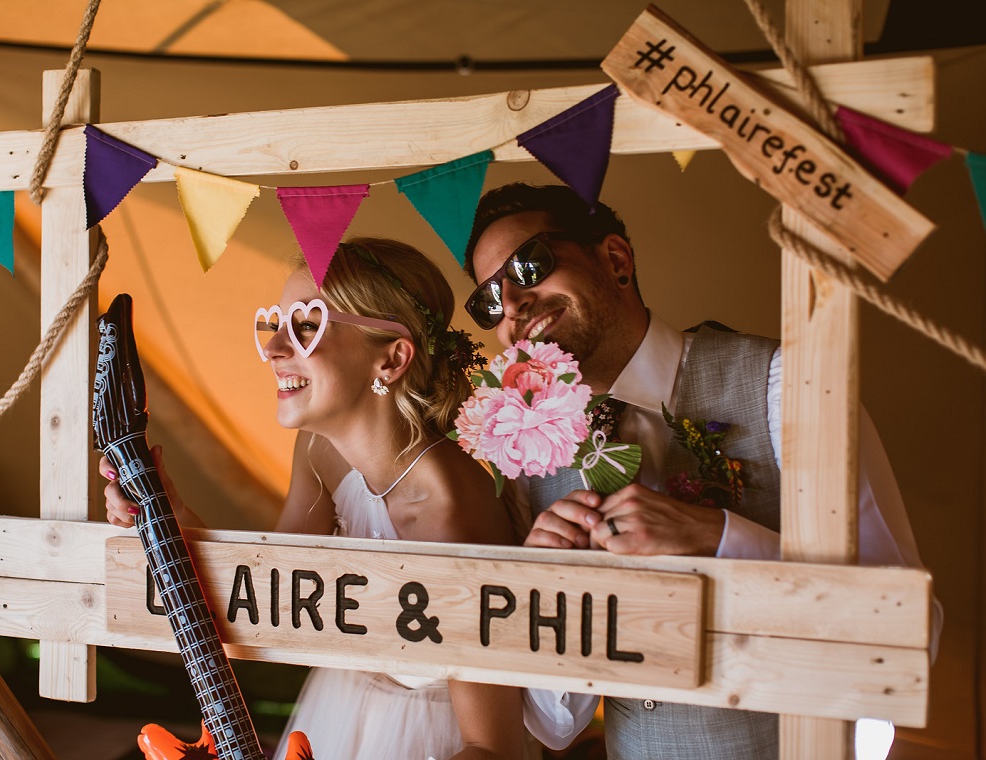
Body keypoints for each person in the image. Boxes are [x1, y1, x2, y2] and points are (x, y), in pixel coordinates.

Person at [462, 182, 940, 760]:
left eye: (529, 264)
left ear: (615, 259)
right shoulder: (527, 454)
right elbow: (557, 726)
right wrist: (550, 590)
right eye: (489, 300)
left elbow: (913, 634)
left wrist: (719, 538)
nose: (512, 305)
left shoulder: (788, 386)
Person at [103, 237, 528, 760]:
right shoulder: (318, 451)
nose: (275, 348)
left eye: (307, 325)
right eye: (274, 324)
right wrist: (167, 514)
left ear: (392, 359)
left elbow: (494, 746)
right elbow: (269, 602)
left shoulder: (448, 513)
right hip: (333, 713)